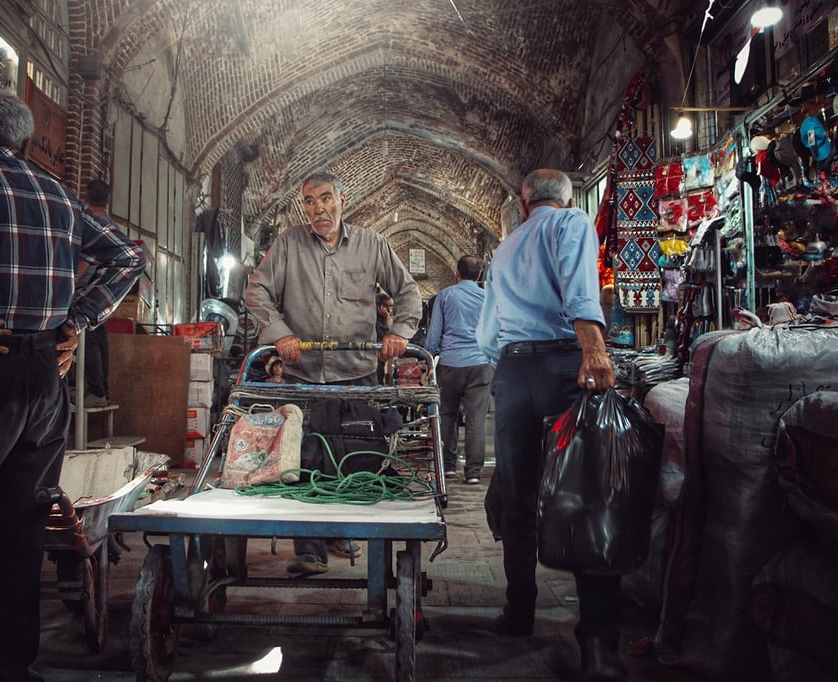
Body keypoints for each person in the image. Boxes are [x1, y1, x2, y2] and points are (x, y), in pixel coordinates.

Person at [0, 89, 145, 682]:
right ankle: (15, 660)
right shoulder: (59, 194)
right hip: (44, 378)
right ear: (20, 140)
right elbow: (128, 257)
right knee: (19, 522)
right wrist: (77, 320)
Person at [476, 169, 622, 681]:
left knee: (519, 493)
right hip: (565, 365)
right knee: (585, 495)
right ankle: (600, 646)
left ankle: (519, 612)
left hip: (513, 372)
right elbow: (581, 290)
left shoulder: (505, 247)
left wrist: (513, 369)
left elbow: (486, 333)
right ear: (563, 197)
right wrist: (594, 350)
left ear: (523, 203)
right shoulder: (571, 223)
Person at [244, 170, 421, 575]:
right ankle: (309, 549)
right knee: (304, 457)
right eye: (309, 201)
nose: (318, 208)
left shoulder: (371, 245)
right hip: (302, 371)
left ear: (343, 200)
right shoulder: (288, 244)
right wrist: (280, 334)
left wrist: (399, 333)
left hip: (356, 373)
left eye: (325, 199)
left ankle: (344, 531)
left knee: (355, 457)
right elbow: (257, 291)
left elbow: (408, 291)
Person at [424, 255, 493, 484]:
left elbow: (434, 333)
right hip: (480, 364)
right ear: (480, 275)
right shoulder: (487, 298)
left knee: (447, 416)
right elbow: (495, 331)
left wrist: (429, 355)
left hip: (450, 365)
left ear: (457, 274)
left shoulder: (445, 296)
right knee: (476, 421)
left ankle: (448, 467)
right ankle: (473, 472)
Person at [76, 178, 114, 408]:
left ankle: (96, 390)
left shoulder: (90, 223)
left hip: (89, 290)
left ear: (86, 196)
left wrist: (71, 282)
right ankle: (102, 390)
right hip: (106, 292)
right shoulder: (111, 225)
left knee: (89, 340)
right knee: (100, 340)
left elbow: (85, 258)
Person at [375, 292, 394, 383]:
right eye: (386, 306)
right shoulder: (375, 321)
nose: (389, 310)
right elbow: (385, 336)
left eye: (390, 306)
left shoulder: (384, 320)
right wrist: (387, 320)